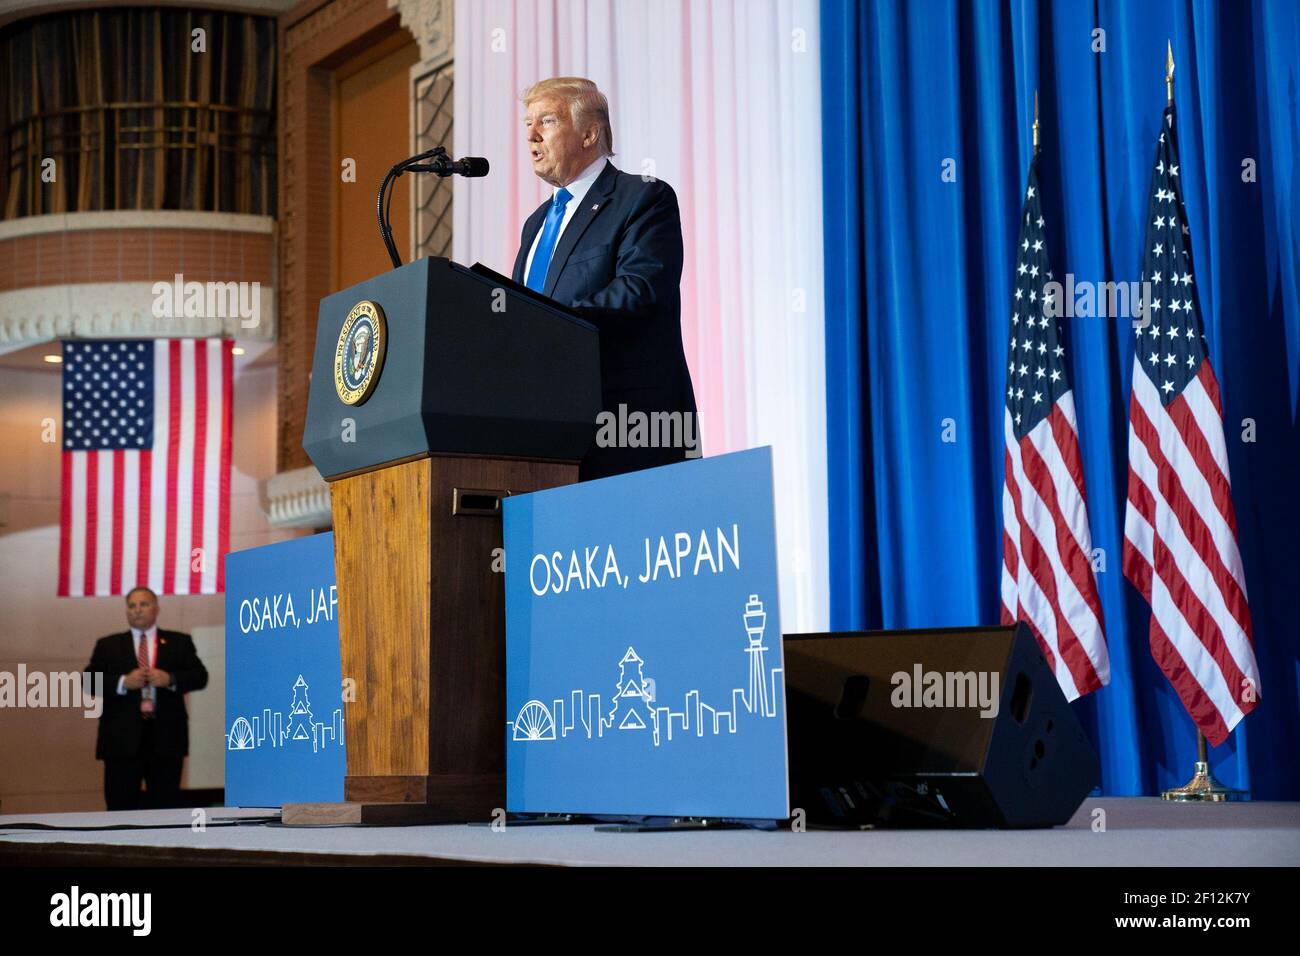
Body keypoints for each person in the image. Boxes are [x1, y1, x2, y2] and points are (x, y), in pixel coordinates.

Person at [513, 76, 698, 480]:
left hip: (630, 431)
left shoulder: (643, 197)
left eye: (546, 121)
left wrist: (543, 323)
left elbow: (639, 290)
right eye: (527, 124)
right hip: (545, 433)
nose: (531, 135)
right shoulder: (536, 225)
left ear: (589, 133)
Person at [84, 587, 208, 810]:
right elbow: (89, 681)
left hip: (166, 740)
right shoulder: (108, 645)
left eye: (143, 604)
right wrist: (123, 682)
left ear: (156, 608)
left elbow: (200, 677)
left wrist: (169, 678)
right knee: (120, 809)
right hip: (121, 743)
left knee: (165, 809)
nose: (137, 610)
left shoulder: (179, 642)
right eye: (131, 606)